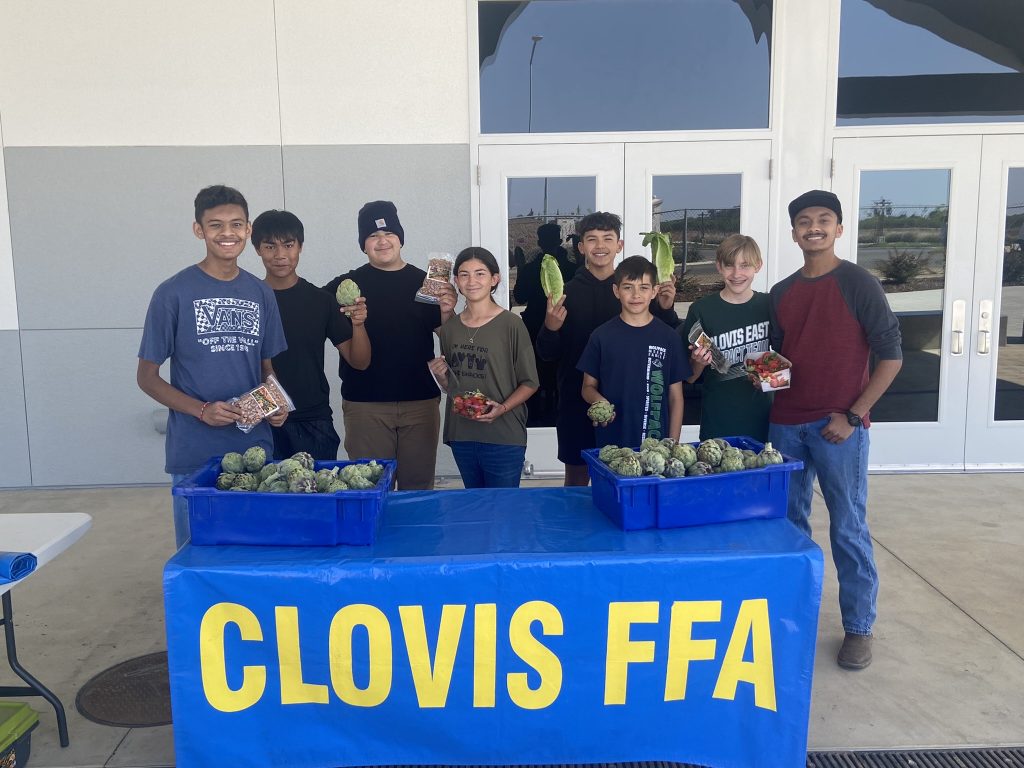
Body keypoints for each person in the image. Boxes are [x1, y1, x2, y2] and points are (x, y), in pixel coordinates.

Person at [769, 189, 903, 671]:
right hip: (786, 426)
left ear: (840, 229)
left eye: (824, 220)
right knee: (788, 529)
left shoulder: (858, 282)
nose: (814, 228)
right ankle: (791, 620)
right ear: (793, 232)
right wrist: (758, 372)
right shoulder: (783, 292)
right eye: (804, 221)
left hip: (839, 428)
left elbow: (891, 356)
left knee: (848, 527)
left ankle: (859, 628)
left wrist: (853, 414)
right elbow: (781, 361)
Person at [137, 185, 288, 549]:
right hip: (194, 454)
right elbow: (147, 377)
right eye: (216, 225)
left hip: (254, 449)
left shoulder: (260, 292)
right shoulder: (172, 293)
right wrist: (201, 410)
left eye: (236, 224)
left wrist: (276, 401)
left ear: (248, 230)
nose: (227, 233)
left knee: (253, 552)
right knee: (197, 555)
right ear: (198, 230)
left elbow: (265, 365)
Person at [536, 212, 679, 485]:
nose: (600, 246)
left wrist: (667, 309)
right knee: (577, 480)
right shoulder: (565, 293)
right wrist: (551, 327)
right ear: (580, 247)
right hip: (577, 400)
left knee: (629, 478)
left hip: (629, 403)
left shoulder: (632, 290)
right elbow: (546, 354)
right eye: (591, 239)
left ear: (619, 245)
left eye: (607, 239)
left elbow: (663, 340)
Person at [322, 200, 456, 490]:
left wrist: (447, 312)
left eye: (389, 234)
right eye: (372, 236)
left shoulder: (427, 283)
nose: (382, 241)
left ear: (400, 239)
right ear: (363, 244)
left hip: (420, 402)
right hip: (365, 405)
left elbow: (451, 340)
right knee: (368, 489)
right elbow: (310, 313)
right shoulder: (345, 285)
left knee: (417, 490)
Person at [253, 209, 370, 460]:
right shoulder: (248, 301)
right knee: (265, 498)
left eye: (288, 244)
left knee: (316, 496)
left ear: (300, 247)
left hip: (313, 421)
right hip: (259, 420)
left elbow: (359, 362)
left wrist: (358, 324)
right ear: (257, 250)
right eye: (270, 246)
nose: (280, 255)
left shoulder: (320, 300)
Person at [429, 247, 539, 487]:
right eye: (464, 274)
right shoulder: (450, 328)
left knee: (503, 510)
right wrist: (441, 377)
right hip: (462, 435)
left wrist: (502, 408)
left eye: (480, 273)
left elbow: (530, 382)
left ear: (494, 279)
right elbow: (454, 387)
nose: (472, 281)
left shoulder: (511, 324)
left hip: (503, 436)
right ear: (456, 281)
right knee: (476, 509)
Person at [577, 255, 688, 448]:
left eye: (643, 288)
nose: (636, 295)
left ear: (654, 291)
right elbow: (587, 387)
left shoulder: (669, 337)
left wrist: (673, 444)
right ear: (616, 291)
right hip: (611, 443)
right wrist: (600, 402)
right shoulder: (601, 336)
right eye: (628, 287)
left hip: (656, 447)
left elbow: (676, 397)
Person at [680, 233, 772, 442]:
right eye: (730, 265)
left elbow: (788, 365)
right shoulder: (702, 310)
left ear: (758, 265)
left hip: (764, 421)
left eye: (745, 265)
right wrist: (697, 364)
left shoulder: (770, 305)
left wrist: (767, 379)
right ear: (719, 266)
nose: (737, 273)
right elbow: (690, 377)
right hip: (718, 423)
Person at [513, 223, 574, 426]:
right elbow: (520, 296)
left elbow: (520, 296)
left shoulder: (536, 268)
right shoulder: (571, 267)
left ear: (540, 243)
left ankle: (543, 414)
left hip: (557, 329)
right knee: (540, 374)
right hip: (537, 328)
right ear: (558, 241)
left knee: (544, 374)